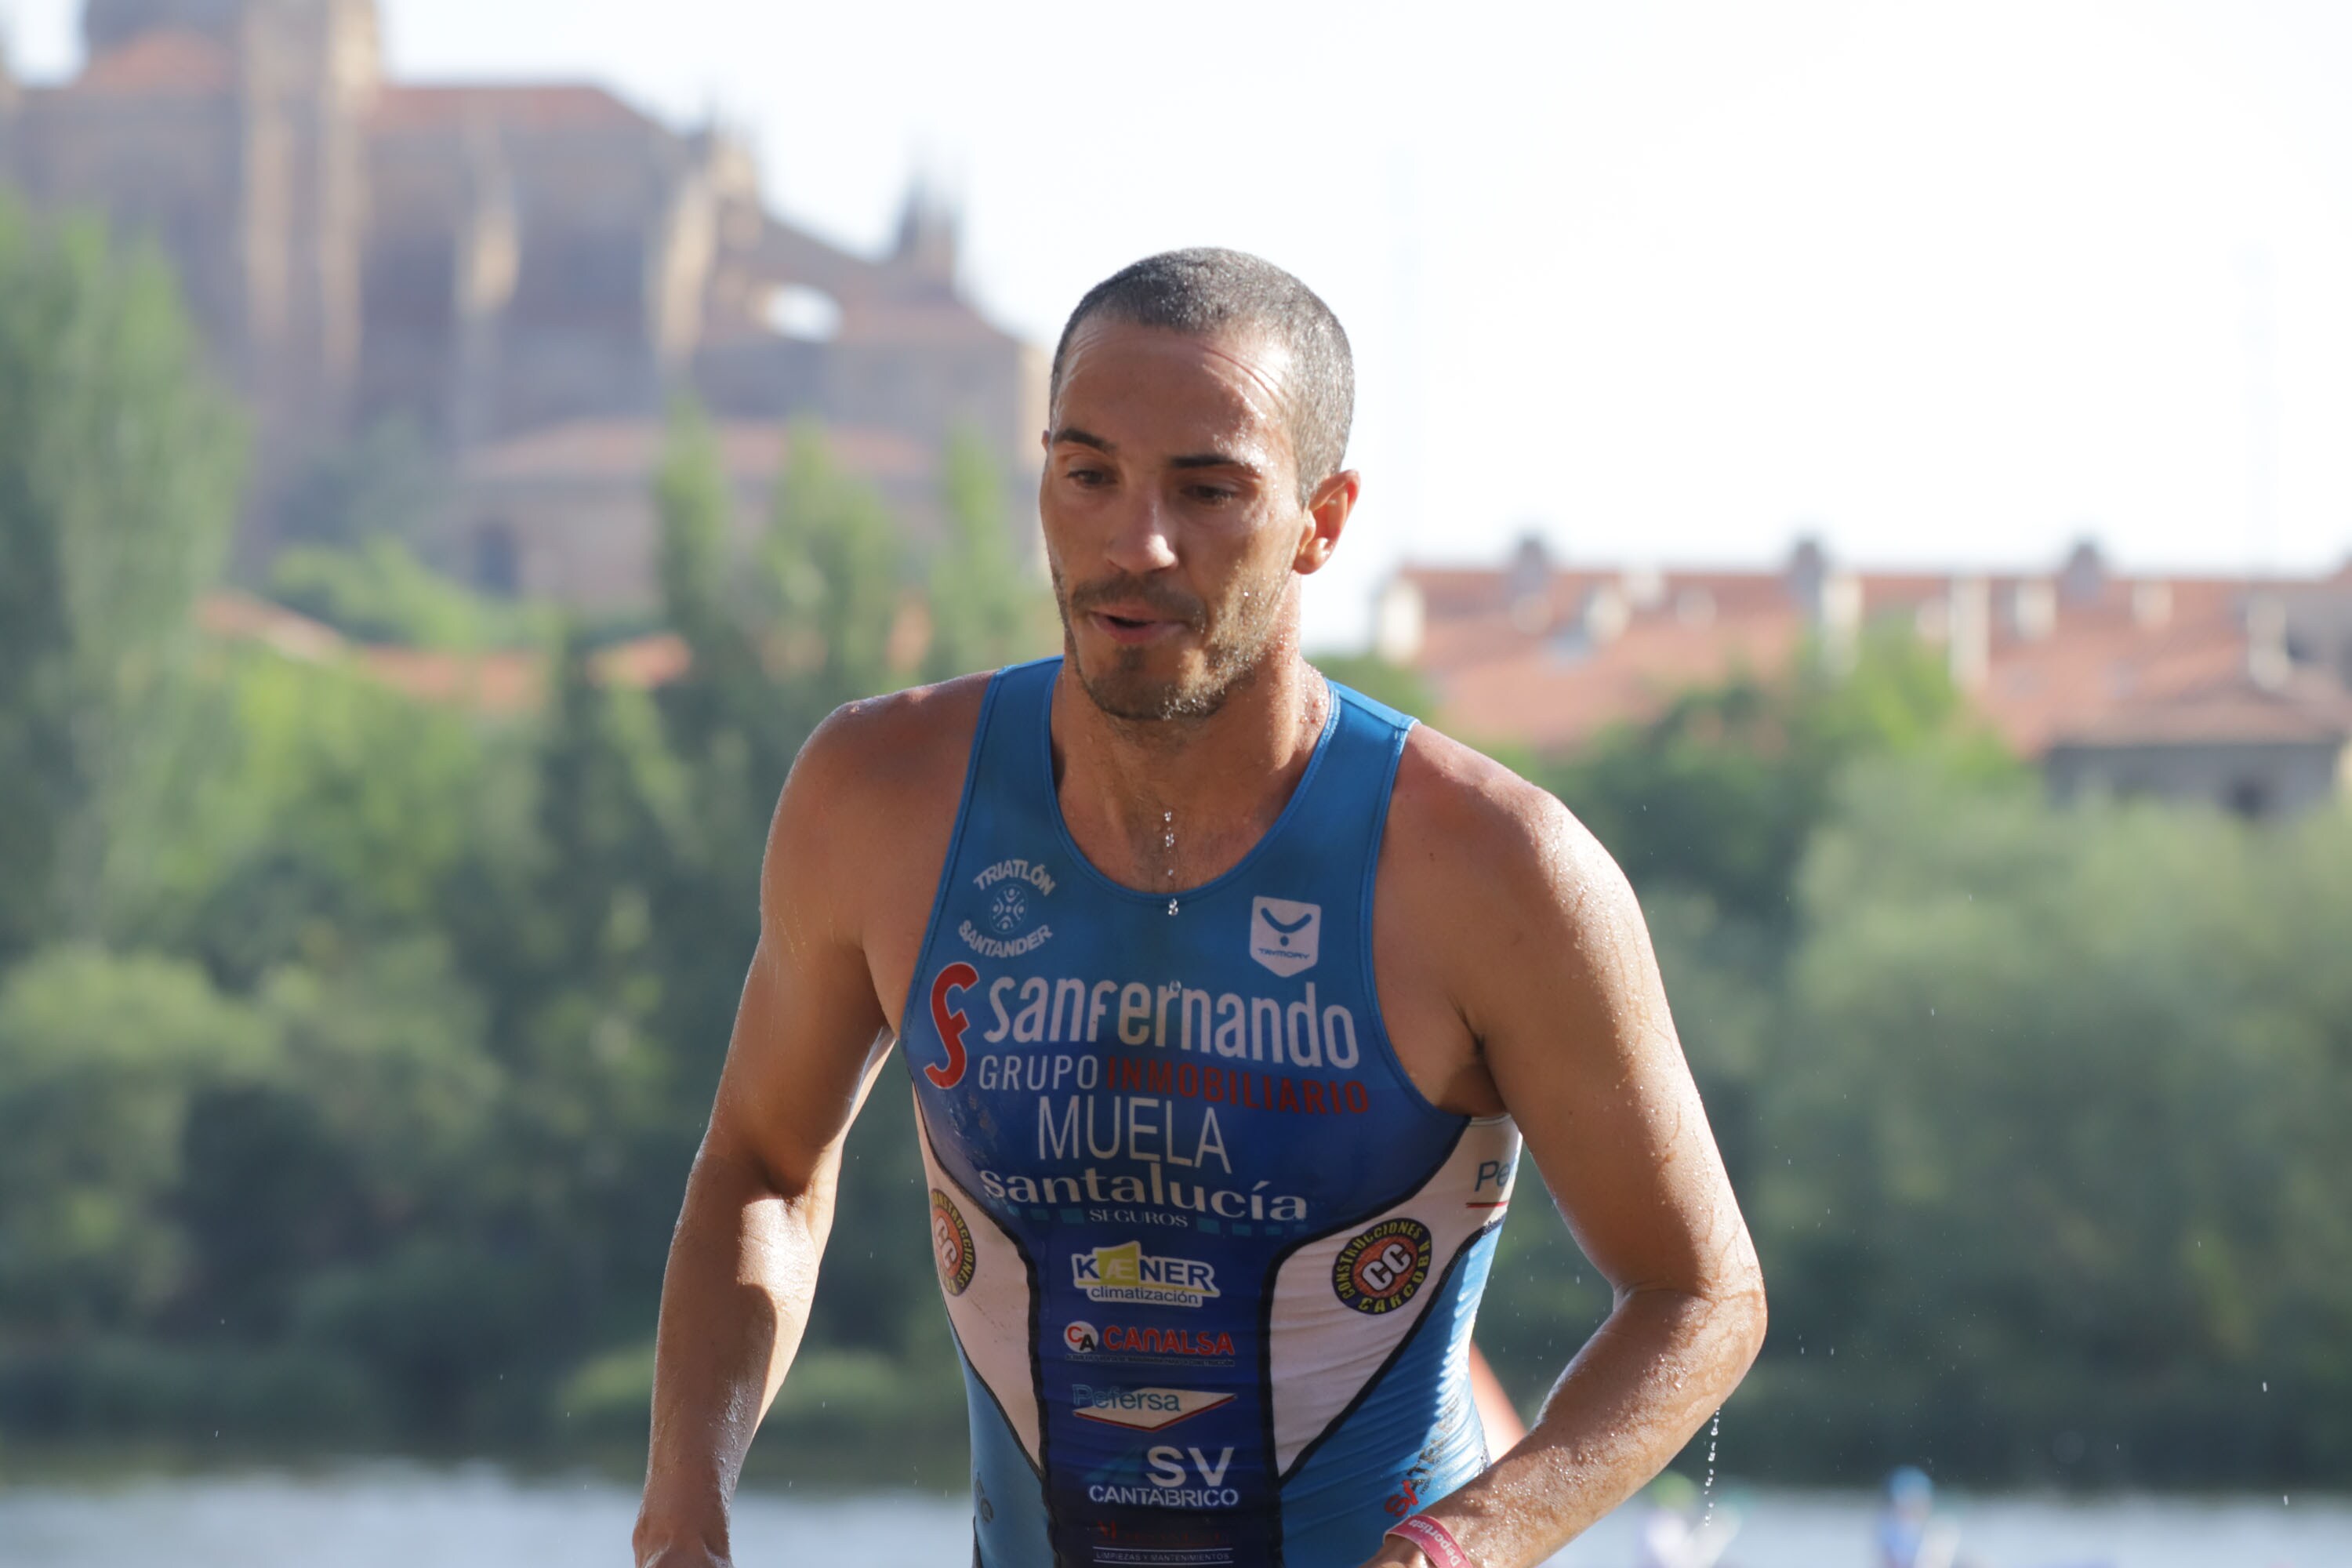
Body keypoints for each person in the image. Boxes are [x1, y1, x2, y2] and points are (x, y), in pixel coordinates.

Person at [632, 249, 1766, 1568]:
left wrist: (1466, 1546)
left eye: (1209, 489)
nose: (1136, 544)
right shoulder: (877, 798)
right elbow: (763, 1171)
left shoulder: (1495, 869)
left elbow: (1701, 1294)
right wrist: (685, 1517)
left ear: (1322, 522)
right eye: (1090, 474)